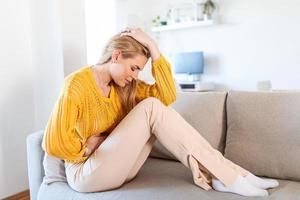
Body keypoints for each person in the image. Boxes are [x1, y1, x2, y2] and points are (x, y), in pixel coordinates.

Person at [42, 27, 278, 197]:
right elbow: (54, 142)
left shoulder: (125, 89)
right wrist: (87, 146)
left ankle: (230, 175)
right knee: (150, 108)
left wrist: (154, 48)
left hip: (118, 169)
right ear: (116, 56)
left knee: (155, 106)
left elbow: (166, 96)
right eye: (133, 67)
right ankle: (230, 177)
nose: (135, 75)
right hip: (85, 174)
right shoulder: (77, 84)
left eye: (139, 70)